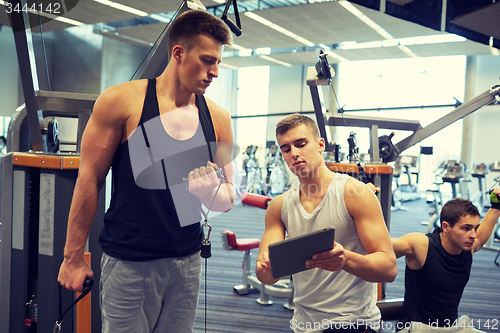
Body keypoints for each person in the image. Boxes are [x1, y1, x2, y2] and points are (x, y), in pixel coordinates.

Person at [57, 10, 235, 333]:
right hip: (129, 263)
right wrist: (72, 257)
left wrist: (211, 192)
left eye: (219, 63)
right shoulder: (122, 102)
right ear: (178, 53)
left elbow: (228, 197)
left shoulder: (219, 119)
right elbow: (90, 179)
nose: (215, 72)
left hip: (187, 263)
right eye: (208, 60)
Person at [255, 114, 397, 333]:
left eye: (301, 144)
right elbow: (265, 276)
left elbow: (389, 268)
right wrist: (268, 267)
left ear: (320, 144)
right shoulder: (278, 206)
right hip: (303, 324)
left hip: (352, 323)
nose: (294, 153)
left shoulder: (354, 193)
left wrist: (345, 259)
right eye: (286, 149)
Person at [392, 190, 500, 332]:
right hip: (415, 329)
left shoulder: (469, 247)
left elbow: (481, 237)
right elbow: (378, 247)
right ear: (445, 227)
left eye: (475, 228)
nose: (473, 235)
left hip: (450, 328)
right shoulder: (421, 245)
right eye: (466, 228)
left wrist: (496, 205)